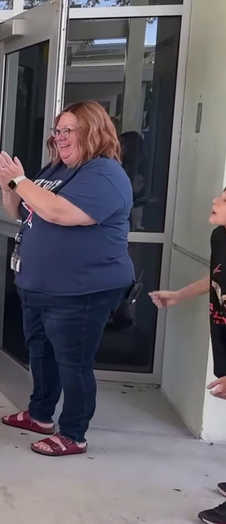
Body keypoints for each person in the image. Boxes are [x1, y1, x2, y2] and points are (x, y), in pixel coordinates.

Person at [0, 100, 134, 457]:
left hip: (81, 290)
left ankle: (73, 433)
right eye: (57, 131)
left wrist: (20, 180)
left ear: (94, 132)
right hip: (38, 286)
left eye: (68, 130)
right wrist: (11, 187)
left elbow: (60, 212)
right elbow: (19, 211)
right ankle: (40, 415)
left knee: (73, 362)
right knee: (40, 355)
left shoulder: (105, 174)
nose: (59, 138)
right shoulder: (54, 169)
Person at [149, 187, 226, 524]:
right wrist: (179, 295)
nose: (215, 201)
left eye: (224, 200)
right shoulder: (220, 236)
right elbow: (216, 280)